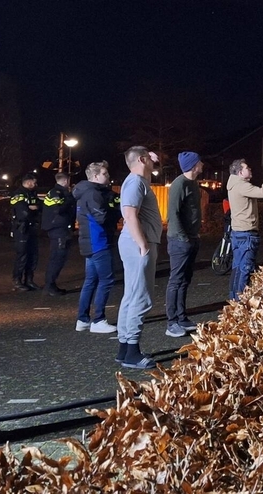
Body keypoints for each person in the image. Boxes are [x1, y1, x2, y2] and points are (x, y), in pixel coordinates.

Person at [116, 146, 163, 369]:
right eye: (150, 159)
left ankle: (125, 348)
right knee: (141, 298)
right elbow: (130, 214)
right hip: (139, 244)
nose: (154, 163)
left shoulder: (136, 180)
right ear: (142, 159)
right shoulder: (135, 182)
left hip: (135, 243)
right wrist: (143, 244)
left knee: (131, 295)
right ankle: (132, 352)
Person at [73, 161, 120, 334]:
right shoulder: (93, 193)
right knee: (106, 280)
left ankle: (83, 319)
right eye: (105, 174)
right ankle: (98, 319)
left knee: (91, 281)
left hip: (89, 242)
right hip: (98, 241)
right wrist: (116, 213)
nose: (108, 176)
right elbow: (101, 218)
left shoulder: (84, 192)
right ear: (95, 176)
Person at [226, 158, 263, 300]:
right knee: (245, 269)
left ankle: (234, 300)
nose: (250, 170)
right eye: (247, 168)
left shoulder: (234, 185)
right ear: (240, 172)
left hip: (238, 233)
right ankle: (240, 303)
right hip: (247, 233)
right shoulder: (241, 185)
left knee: (237, 269)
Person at [165, 151, 203, 338]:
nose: (202, 164)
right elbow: (173, 213)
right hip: (181, 241)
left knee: (185, 280)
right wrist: (183, 238)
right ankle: (171, 322)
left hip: (191, 238)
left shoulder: (192, 183)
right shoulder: (179, 184)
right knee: (176, 280)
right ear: (193, 165)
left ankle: (181, 317)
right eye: (199, 162)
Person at [41, 172, 76, 296]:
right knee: (56, 257)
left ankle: (51, 284)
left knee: (59, 257)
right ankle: (50, 285)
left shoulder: (59, 193)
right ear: (66, 181)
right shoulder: (55, 193)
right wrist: (71, 197)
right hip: (57, 229)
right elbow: (59, 209)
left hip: (61, 228)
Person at [10, 172, 41, 291]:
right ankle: (17, 280)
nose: (35, 184)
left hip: (32, 228)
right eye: (34, 182)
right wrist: (32, 209)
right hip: (21, 229)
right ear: (28, 182)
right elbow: (23, 212)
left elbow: (40, 206)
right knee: (22, 255)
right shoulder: (18, 194)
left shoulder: (32, 194)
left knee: (33, 255)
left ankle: (29, 280)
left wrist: (35, 207)